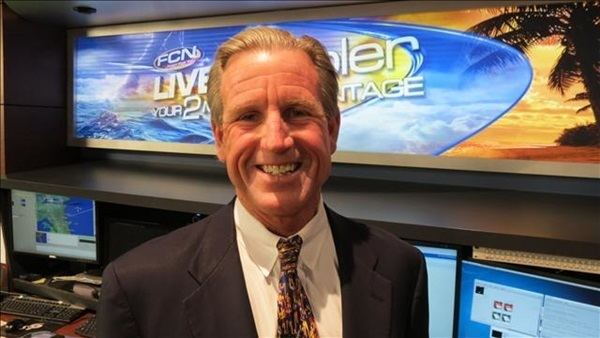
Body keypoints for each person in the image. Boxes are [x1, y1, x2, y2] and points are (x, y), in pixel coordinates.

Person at [97, 26, 428, 338]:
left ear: (331, 131)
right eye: (248, 116)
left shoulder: (401, 268)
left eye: (297, 112)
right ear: (220, 138)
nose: (276, 141)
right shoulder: (137, 289)